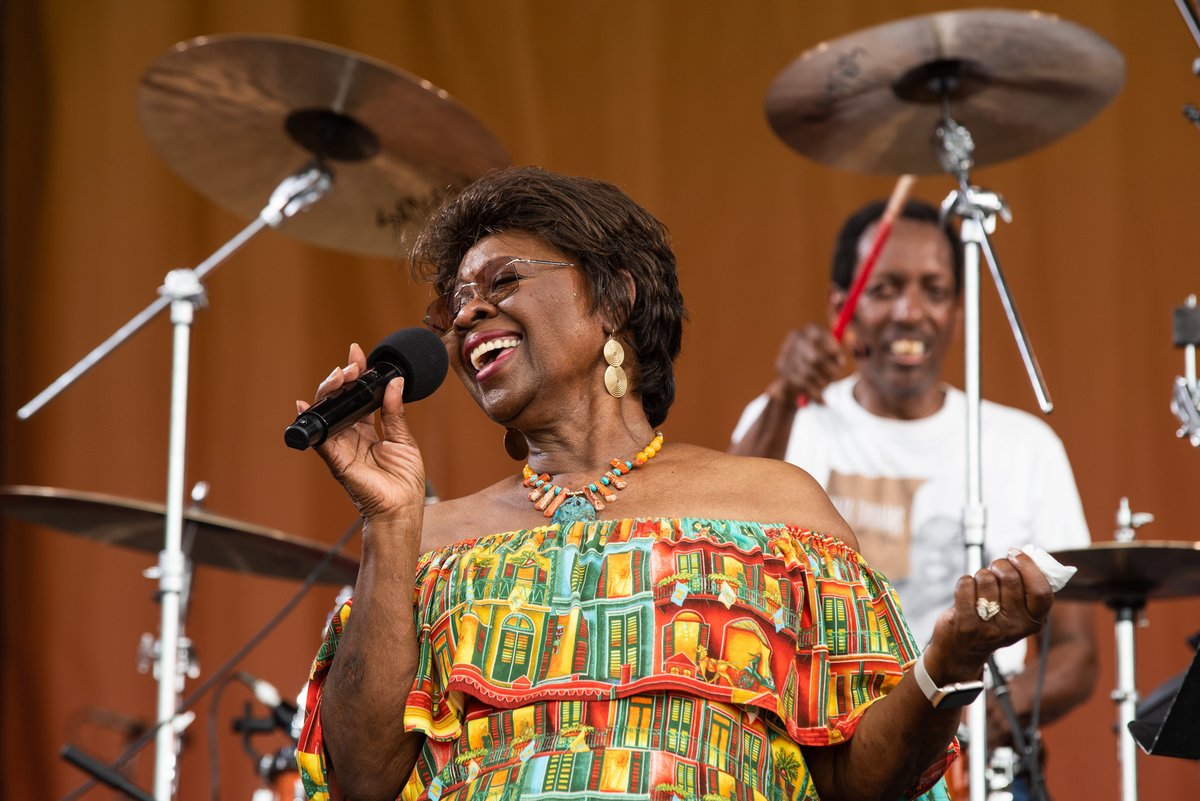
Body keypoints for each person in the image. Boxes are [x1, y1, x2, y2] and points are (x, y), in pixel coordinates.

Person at [294, 168, 1054, 801]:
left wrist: (950, 659)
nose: (469, 315)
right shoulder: (424, 540)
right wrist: (388, 520)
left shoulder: (778, 509)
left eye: (502, 281)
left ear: (614, 299)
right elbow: (361, 781)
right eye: (457, 303)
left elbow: (856, 781)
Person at [729, 198, 1097, 797]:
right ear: (841, 308)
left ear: (957, 309)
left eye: (934, 290)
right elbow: (717, 545)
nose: (910, 311)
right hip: (819, 756)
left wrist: (971, 721)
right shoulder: (791, 422)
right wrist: (781, 397)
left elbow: (1077, 653)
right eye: (884, 289)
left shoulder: (1026, 446)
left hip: (976, 763)